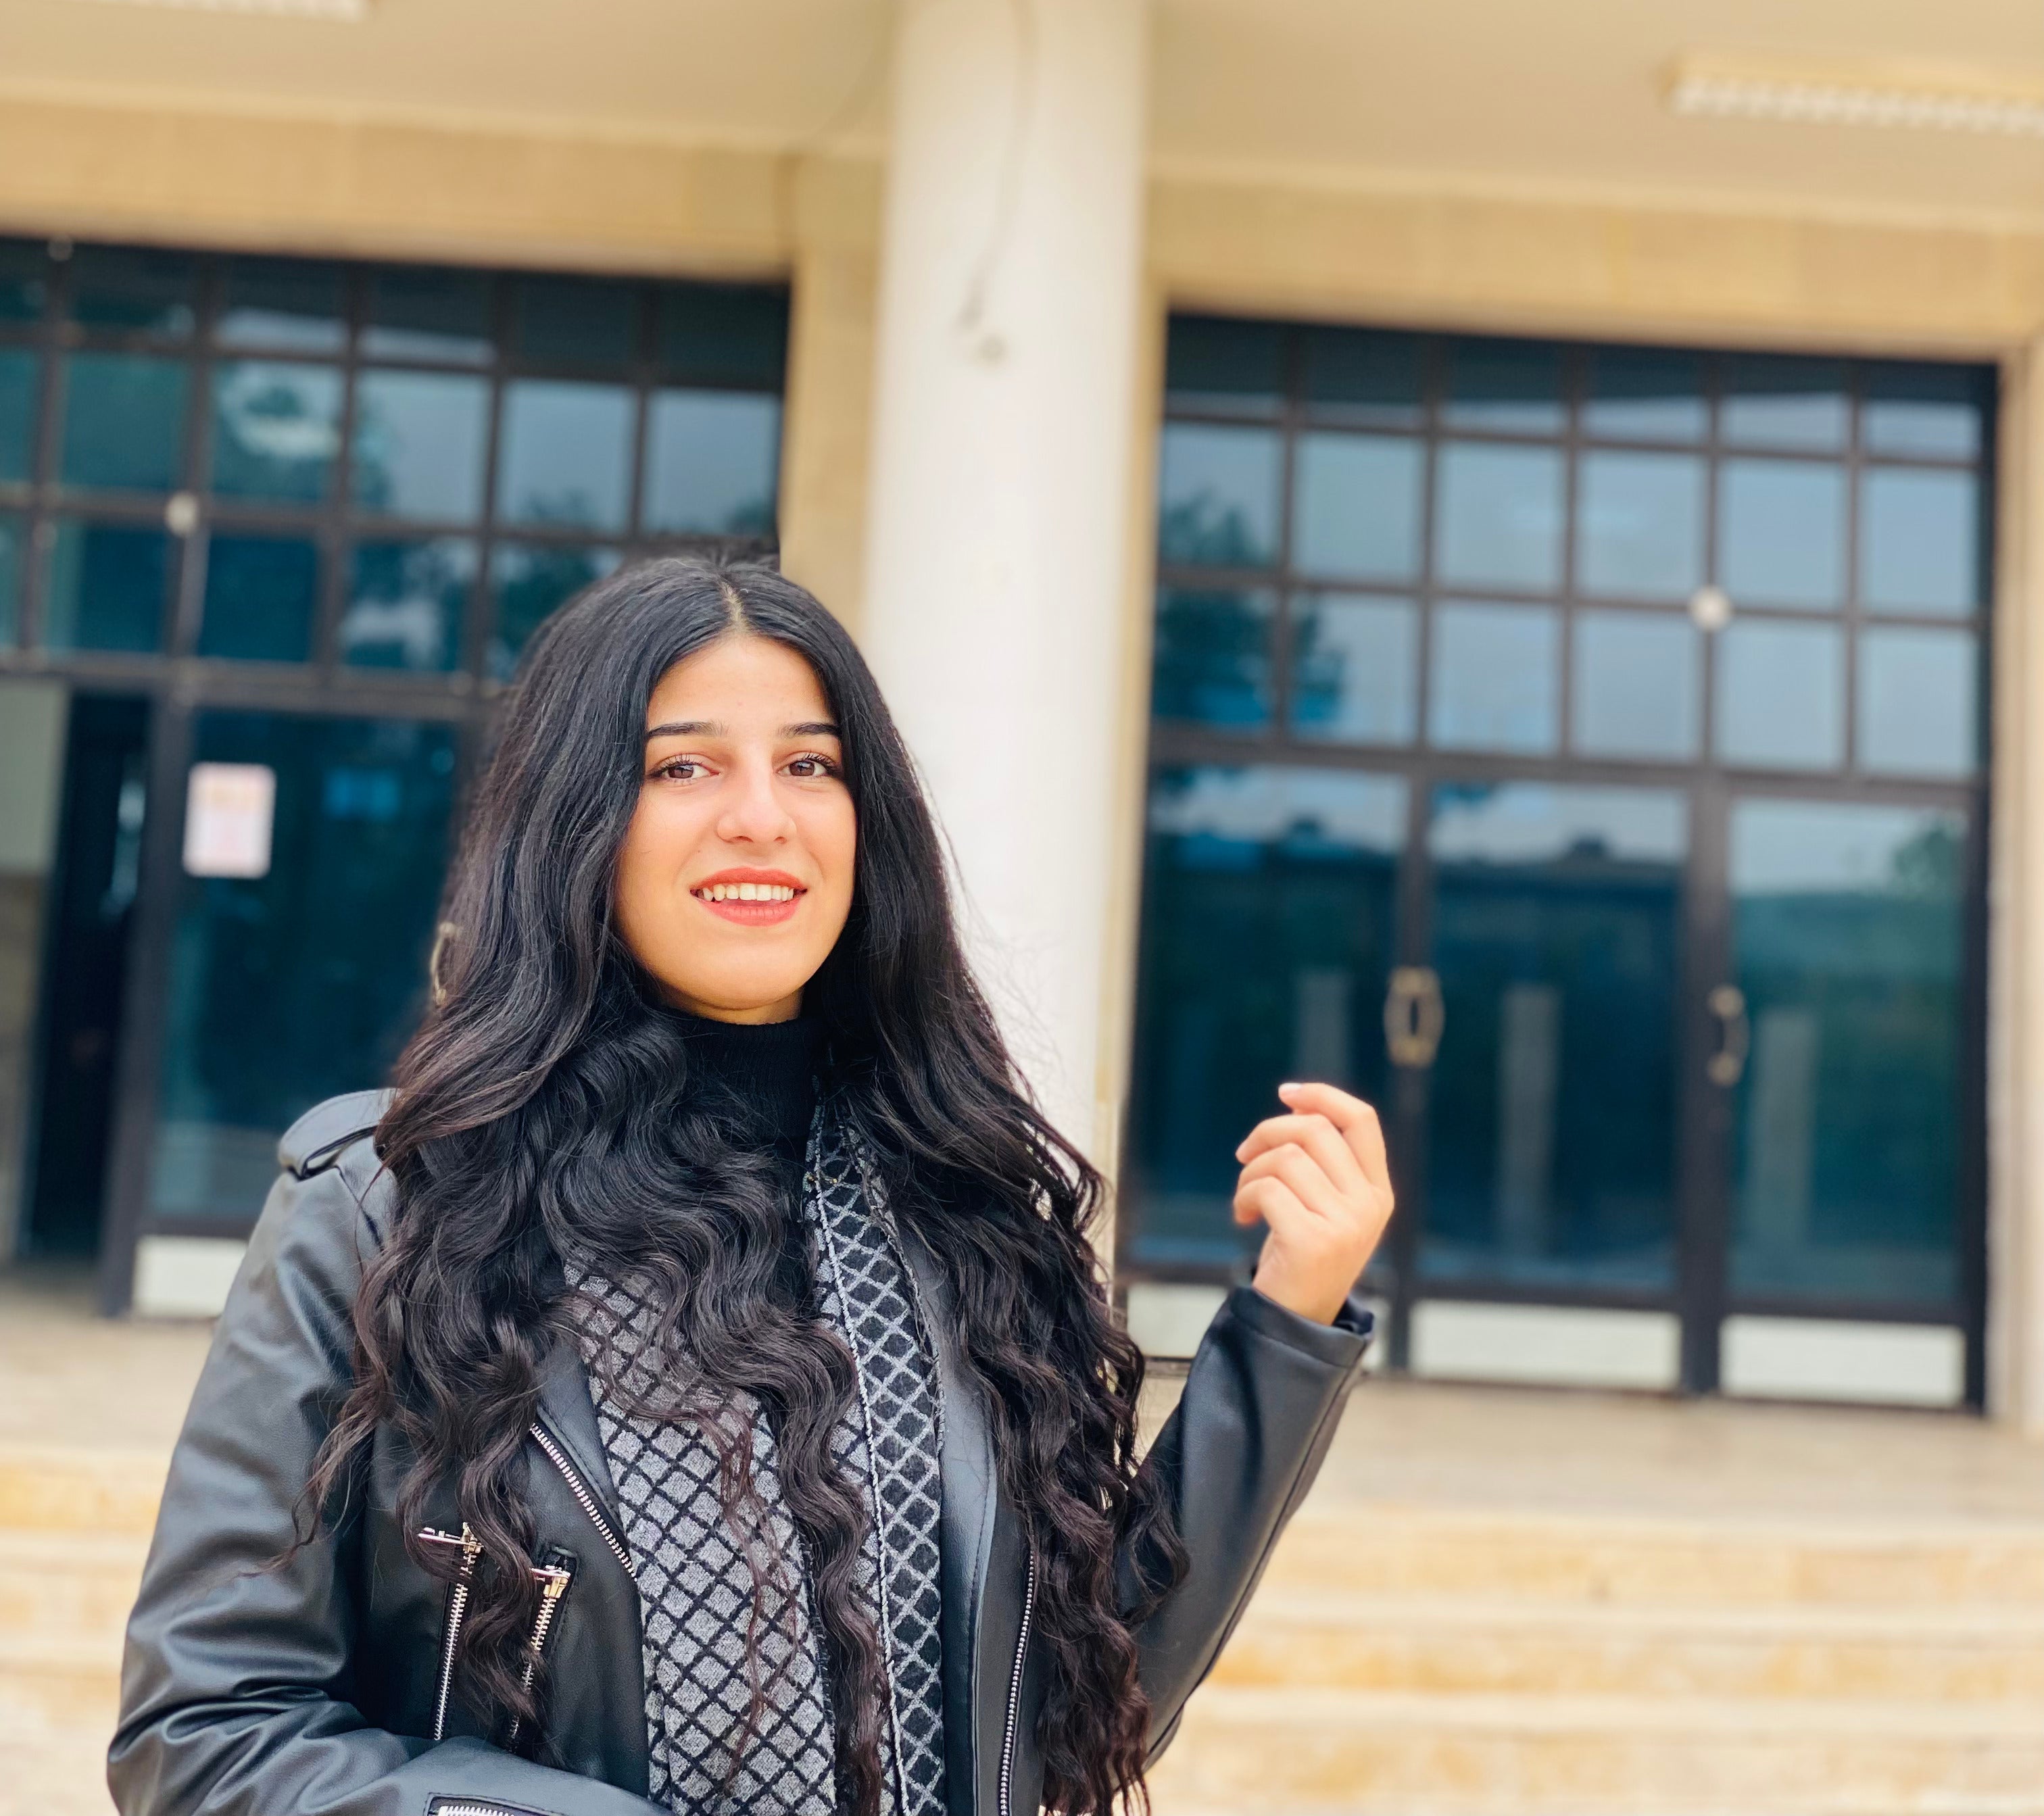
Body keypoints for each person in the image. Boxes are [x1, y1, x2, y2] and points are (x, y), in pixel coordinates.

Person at [112, 556, 1393, 1816]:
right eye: (684, 767)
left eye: (811, 765)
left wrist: (1287, 1324)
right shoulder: (387, 1209)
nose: (763, 817)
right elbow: (208, 1731)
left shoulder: (964, 1211)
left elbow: (1073, 1716)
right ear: (574, 818)